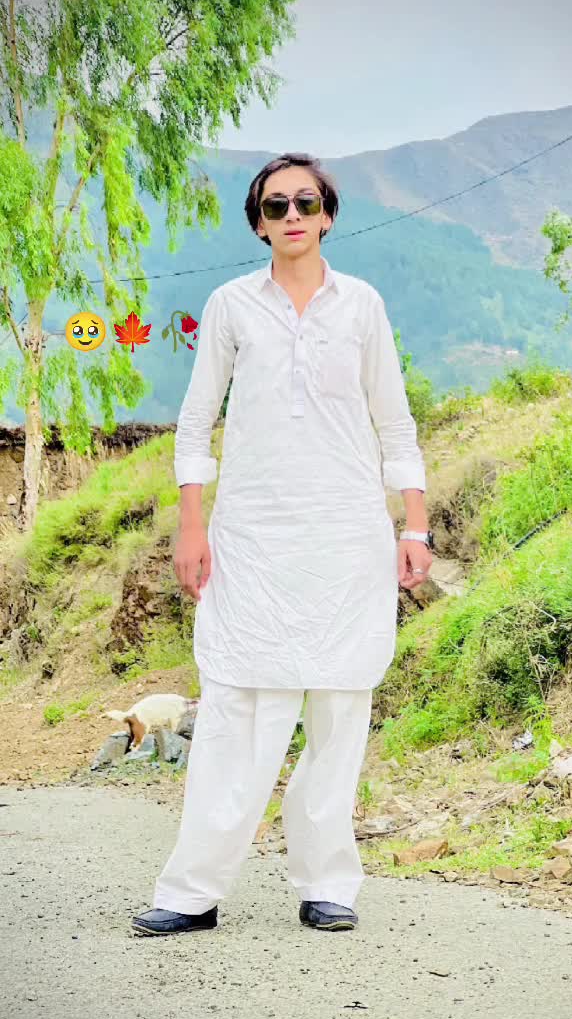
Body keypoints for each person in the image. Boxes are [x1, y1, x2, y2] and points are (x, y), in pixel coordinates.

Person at [132, 152, 433, 937]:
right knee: (237, 706)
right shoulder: (232, 305)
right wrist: (192, 524)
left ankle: (328, 883)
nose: (291, 216)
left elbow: (394, 420)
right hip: (254, 537)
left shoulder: (361, 306)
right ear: (259, 222)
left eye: (305, 202)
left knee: (338, 705)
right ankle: (191, 891)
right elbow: (196, 421)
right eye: (275, 206)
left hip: (346, 536)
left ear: (327, 215)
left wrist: (414, 524)